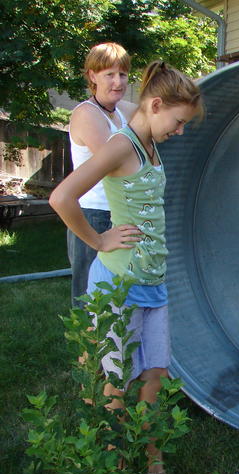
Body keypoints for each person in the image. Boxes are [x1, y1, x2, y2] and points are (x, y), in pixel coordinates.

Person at [50, 60, 203, 474]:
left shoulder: (151, 145)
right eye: (178, 121)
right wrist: (98, 240)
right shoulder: (121, 145)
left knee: (156, 374)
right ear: (155, 105)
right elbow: (62, 197)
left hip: (153, 283)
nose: (180, 131)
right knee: (118, 380)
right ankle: (117, 463)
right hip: (118, 282)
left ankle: (152, 461)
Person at [67, 42, 137, 307]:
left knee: (117, 297)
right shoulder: (87, 114)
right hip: (93, 215)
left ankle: (116, 350)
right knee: (90, 300)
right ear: (92, 76)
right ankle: (87, 351)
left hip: (119, 212)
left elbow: (159, 109)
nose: (118, 82)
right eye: (109, 74)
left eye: (122, 74)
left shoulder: (122, 110)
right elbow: (115, 164)